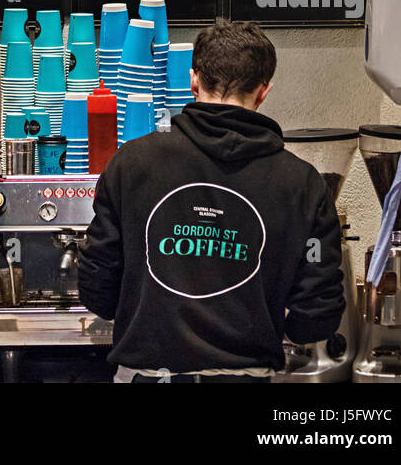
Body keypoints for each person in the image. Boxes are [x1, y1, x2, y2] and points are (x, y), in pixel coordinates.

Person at [78, 19, 345, 383]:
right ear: (264, 91)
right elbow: (316, 317)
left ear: (193, 80)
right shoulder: (303, 183)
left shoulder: (132, 162)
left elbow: (98, 289)